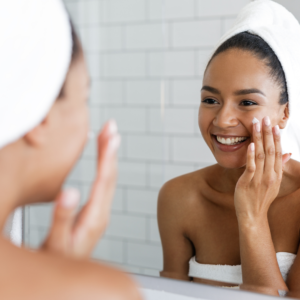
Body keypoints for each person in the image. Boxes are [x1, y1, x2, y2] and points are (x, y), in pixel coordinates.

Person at [0, 1, 141, 299]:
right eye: (84, 98)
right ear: (40, 116)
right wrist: (63, 280)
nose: (88, 132)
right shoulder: (103, 293)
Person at [158, 0, 300, 294]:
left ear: (285, 113)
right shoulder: (179, 197)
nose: (222, 120)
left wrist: (252, 217)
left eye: (247, 102)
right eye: (210, 100)